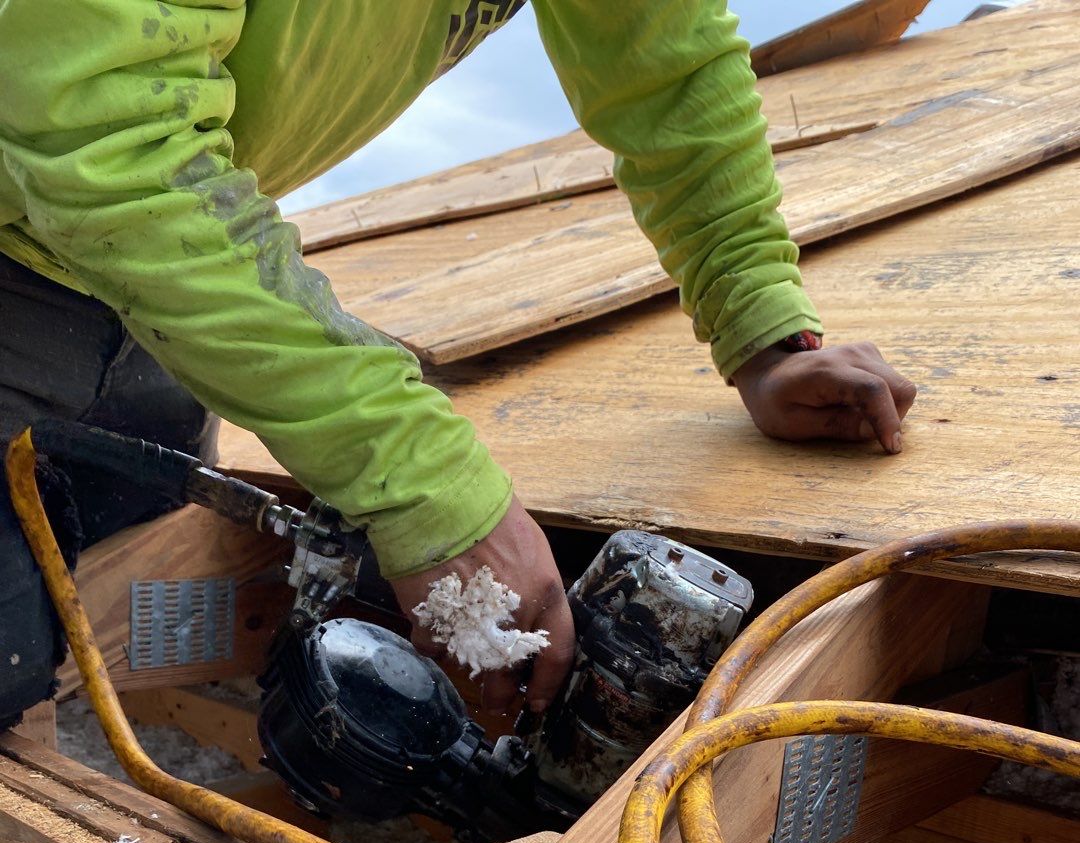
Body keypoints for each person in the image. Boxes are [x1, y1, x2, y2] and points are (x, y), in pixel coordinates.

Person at [0, 1, 916, 727]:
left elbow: (665, 66)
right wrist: (423, 481)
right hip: (57, 231)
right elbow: (98, 134)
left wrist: (759, 321)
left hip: (150, 285)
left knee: (109, 648)